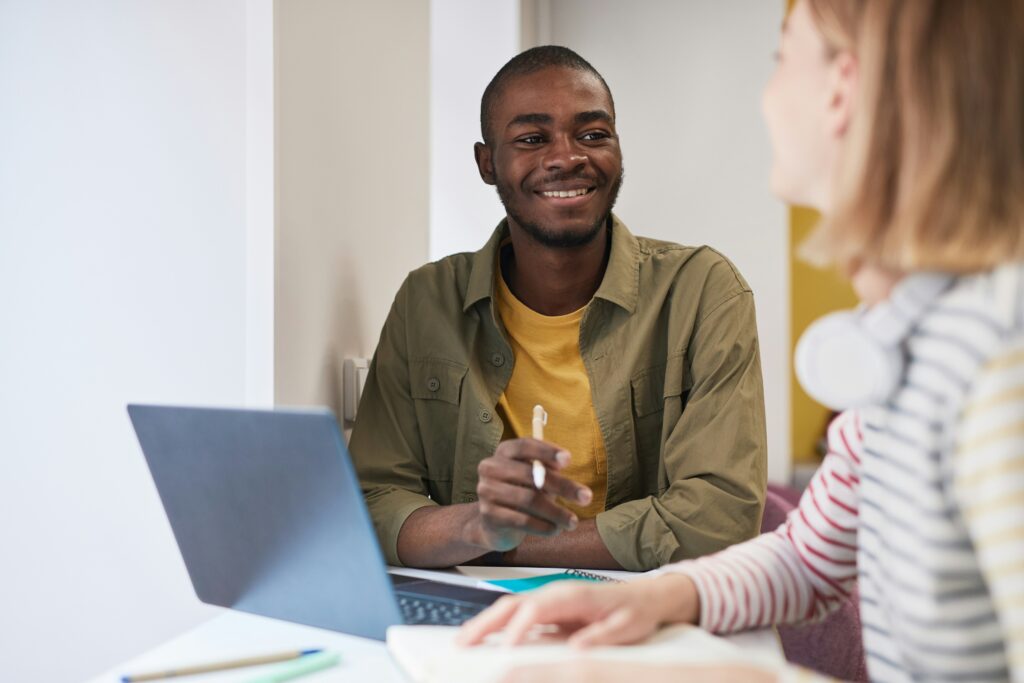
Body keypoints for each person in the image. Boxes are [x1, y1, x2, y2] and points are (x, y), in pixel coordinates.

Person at [458, 1, 1024, 681]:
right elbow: (808, 560)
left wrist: (744, 678)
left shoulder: (997, 362)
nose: (767, 93)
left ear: (841, 90)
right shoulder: (904, 350)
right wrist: (643, 600)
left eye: (782, 58)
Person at [348, 46, 768, 572]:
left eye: (593, 135)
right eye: (532, 139)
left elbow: (721, 520)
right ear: (486, 164)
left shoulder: (702, 292)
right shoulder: (428, 302)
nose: (568, 157)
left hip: (649, 617)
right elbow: (370, 504)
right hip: (480, 618)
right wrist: (477, 523)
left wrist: (502, 545)